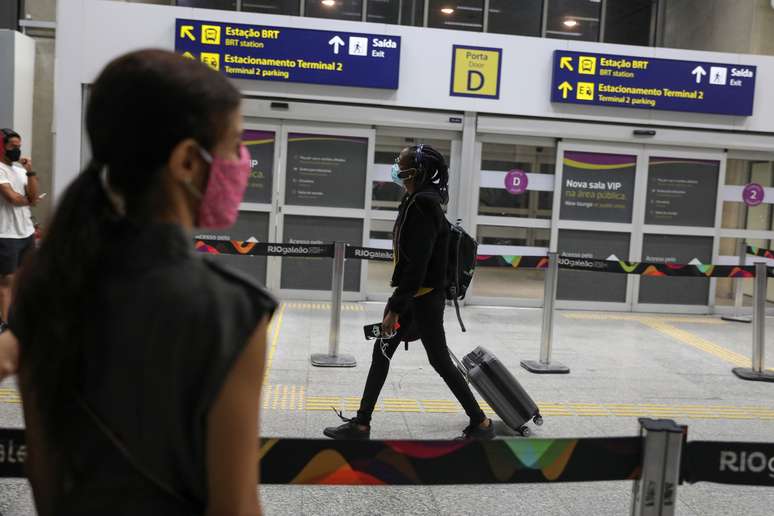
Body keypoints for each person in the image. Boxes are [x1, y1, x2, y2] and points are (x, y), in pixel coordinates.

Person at [9, 49, 276, 515]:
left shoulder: (49, 277)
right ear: (188, 163)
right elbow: (234, 506)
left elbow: (43, 472)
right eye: (235, 145)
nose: (241, 162)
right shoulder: (230, 308)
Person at [324, 144, 494, 440]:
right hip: (421, 297)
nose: (396, 165)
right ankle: (363, 422)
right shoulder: (418, 200)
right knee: (395, 352)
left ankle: (479, 422)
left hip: (421, 299)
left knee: (428, 357)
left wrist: (395, 308)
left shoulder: (423, 206)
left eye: (401, 162)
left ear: (419, 170)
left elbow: (416, 264)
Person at [0, 128, 40, 323]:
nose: (17, 150)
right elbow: (13, 198)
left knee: (25, 279)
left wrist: (30, 170)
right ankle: (5, 325)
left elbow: (33, 195)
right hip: (6, 234)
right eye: (12, 146)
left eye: (19, 146)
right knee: (7, 281)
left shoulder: (19, 170)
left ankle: (21, 321)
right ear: (2, 147)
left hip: (26, 232)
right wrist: (30, 199)